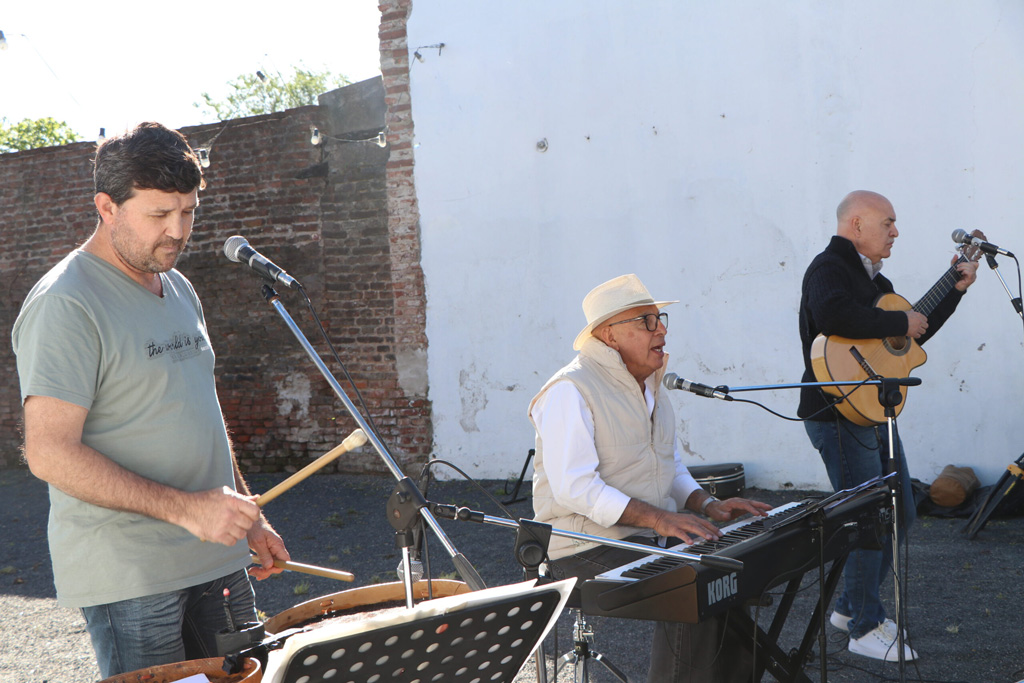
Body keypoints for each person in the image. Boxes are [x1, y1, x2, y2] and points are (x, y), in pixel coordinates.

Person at [11, 122, 291, 678]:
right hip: (133, 574)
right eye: (159, 215)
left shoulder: (179, 285)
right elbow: (48, 453)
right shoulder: (66, 303)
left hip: (217, 554)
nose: (178, 231)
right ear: (107, 207)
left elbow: (198, 411)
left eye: (188, 211)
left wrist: (247, 512)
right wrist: (190, 510)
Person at [530, 273, 772, 683]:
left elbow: (669, 465)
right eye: (646, 321)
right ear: (609, 335)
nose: (661, 330)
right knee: (690, 589)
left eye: (659, 319)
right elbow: (575, 488)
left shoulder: (652, 386)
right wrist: (661, 520)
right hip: (578, 547)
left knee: (728, 576)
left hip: (642, 537)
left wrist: (707, 504)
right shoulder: (569, 390)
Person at [798, 190, 978, 662]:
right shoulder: (828, 269)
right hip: (837, 413)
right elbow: (834, 314)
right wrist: (898, 317)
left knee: (900, 513)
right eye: (888, 222)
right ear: (856, 224)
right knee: (867, 520)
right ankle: (865, 626)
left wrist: (953, 289)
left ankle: (847, 608)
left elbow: (906, 338)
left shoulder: (878, 281)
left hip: (871, 408)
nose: (895, 231)